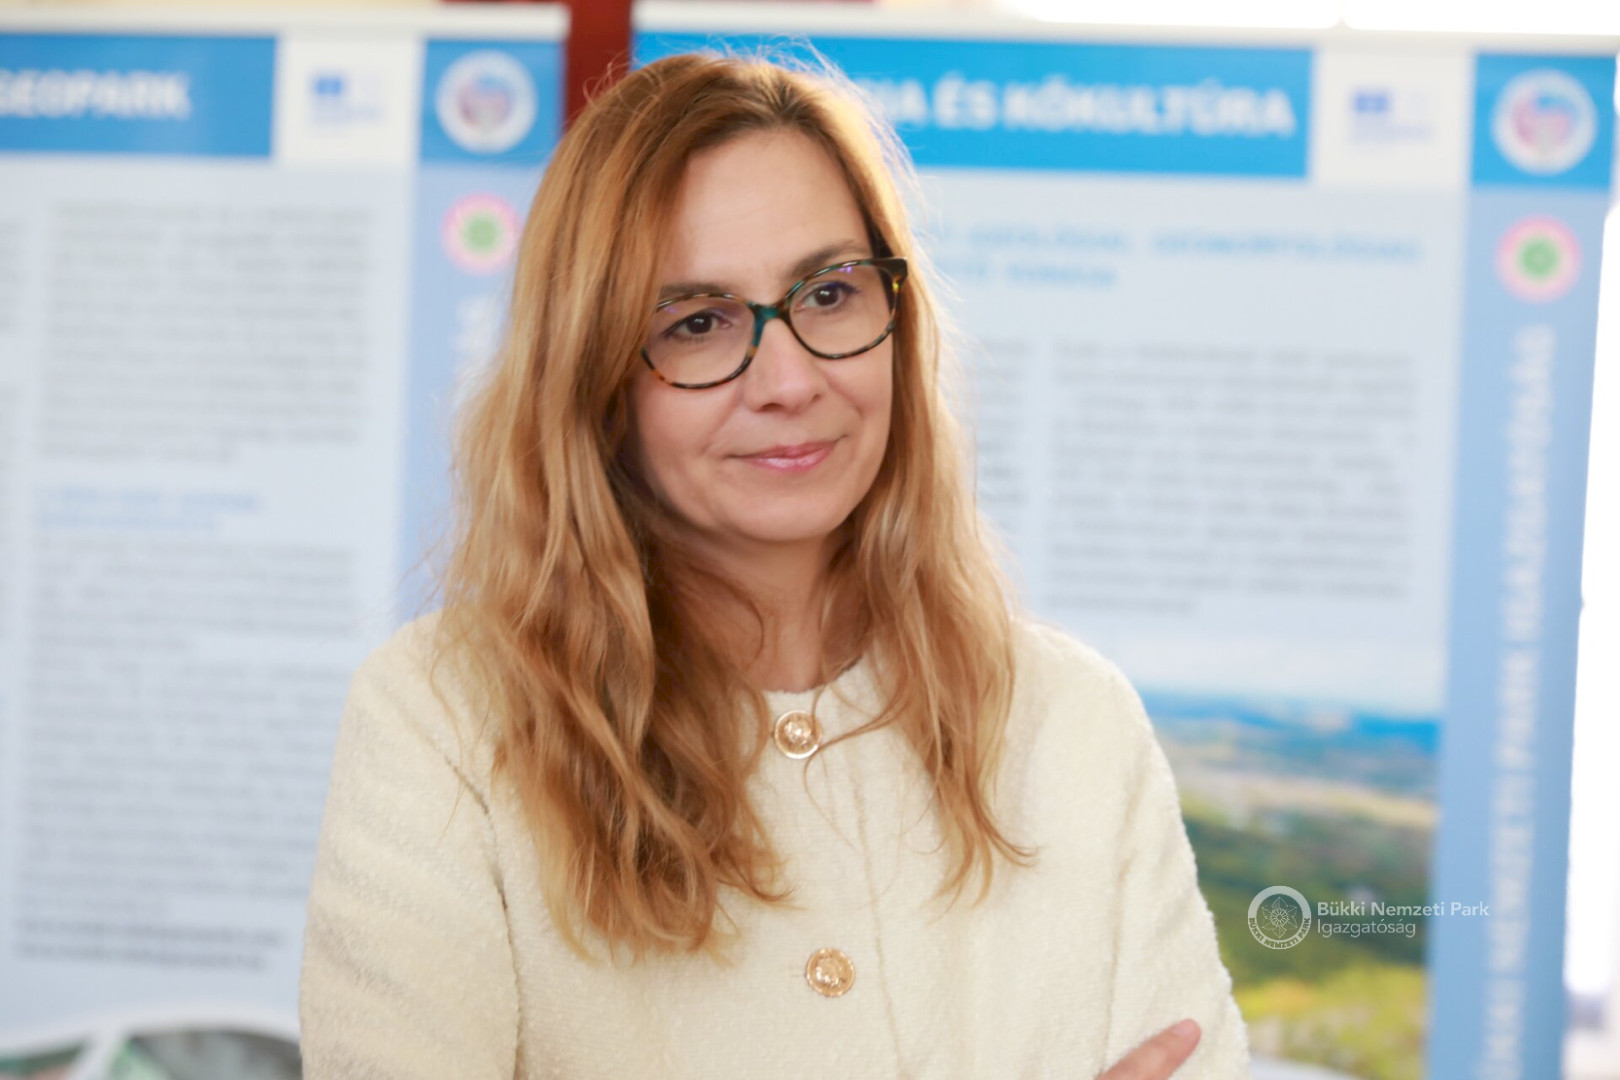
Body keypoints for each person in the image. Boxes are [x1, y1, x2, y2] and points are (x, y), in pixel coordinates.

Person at [298, 52, 1250, 1079]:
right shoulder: (445, 721)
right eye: (697, 323)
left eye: (830, 293)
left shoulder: (1073, 720)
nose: (789, 380)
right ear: (592, 379)